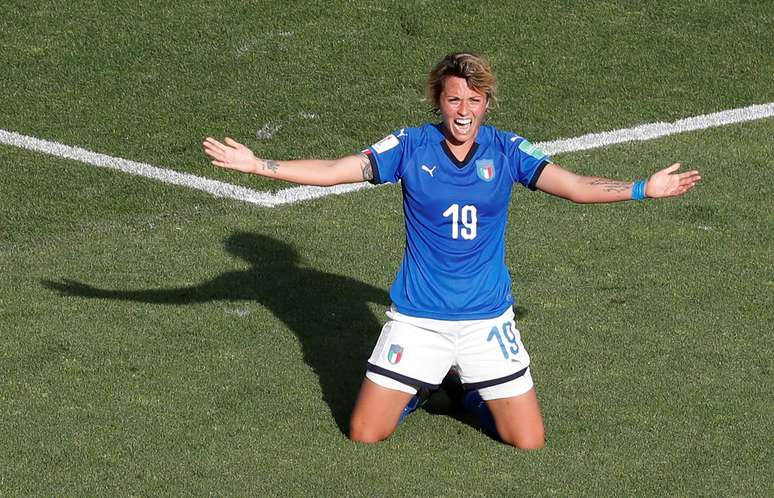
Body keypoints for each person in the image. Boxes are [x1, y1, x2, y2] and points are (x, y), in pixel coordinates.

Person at [203, 52, 701, 450]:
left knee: (528, 441)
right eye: (454, 100)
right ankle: (420, 386)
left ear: (487, 104)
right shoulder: (409, 146)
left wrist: (641, 189)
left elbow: (573, 185)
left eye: (473, 100)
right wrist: (258, 165)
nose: (463, 111)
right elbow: (337, 170)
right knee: (365, 433)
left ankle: (465, 392)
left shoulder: (508, 150)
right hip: (418, 321)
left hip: (487, 322)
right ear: (438, 102)